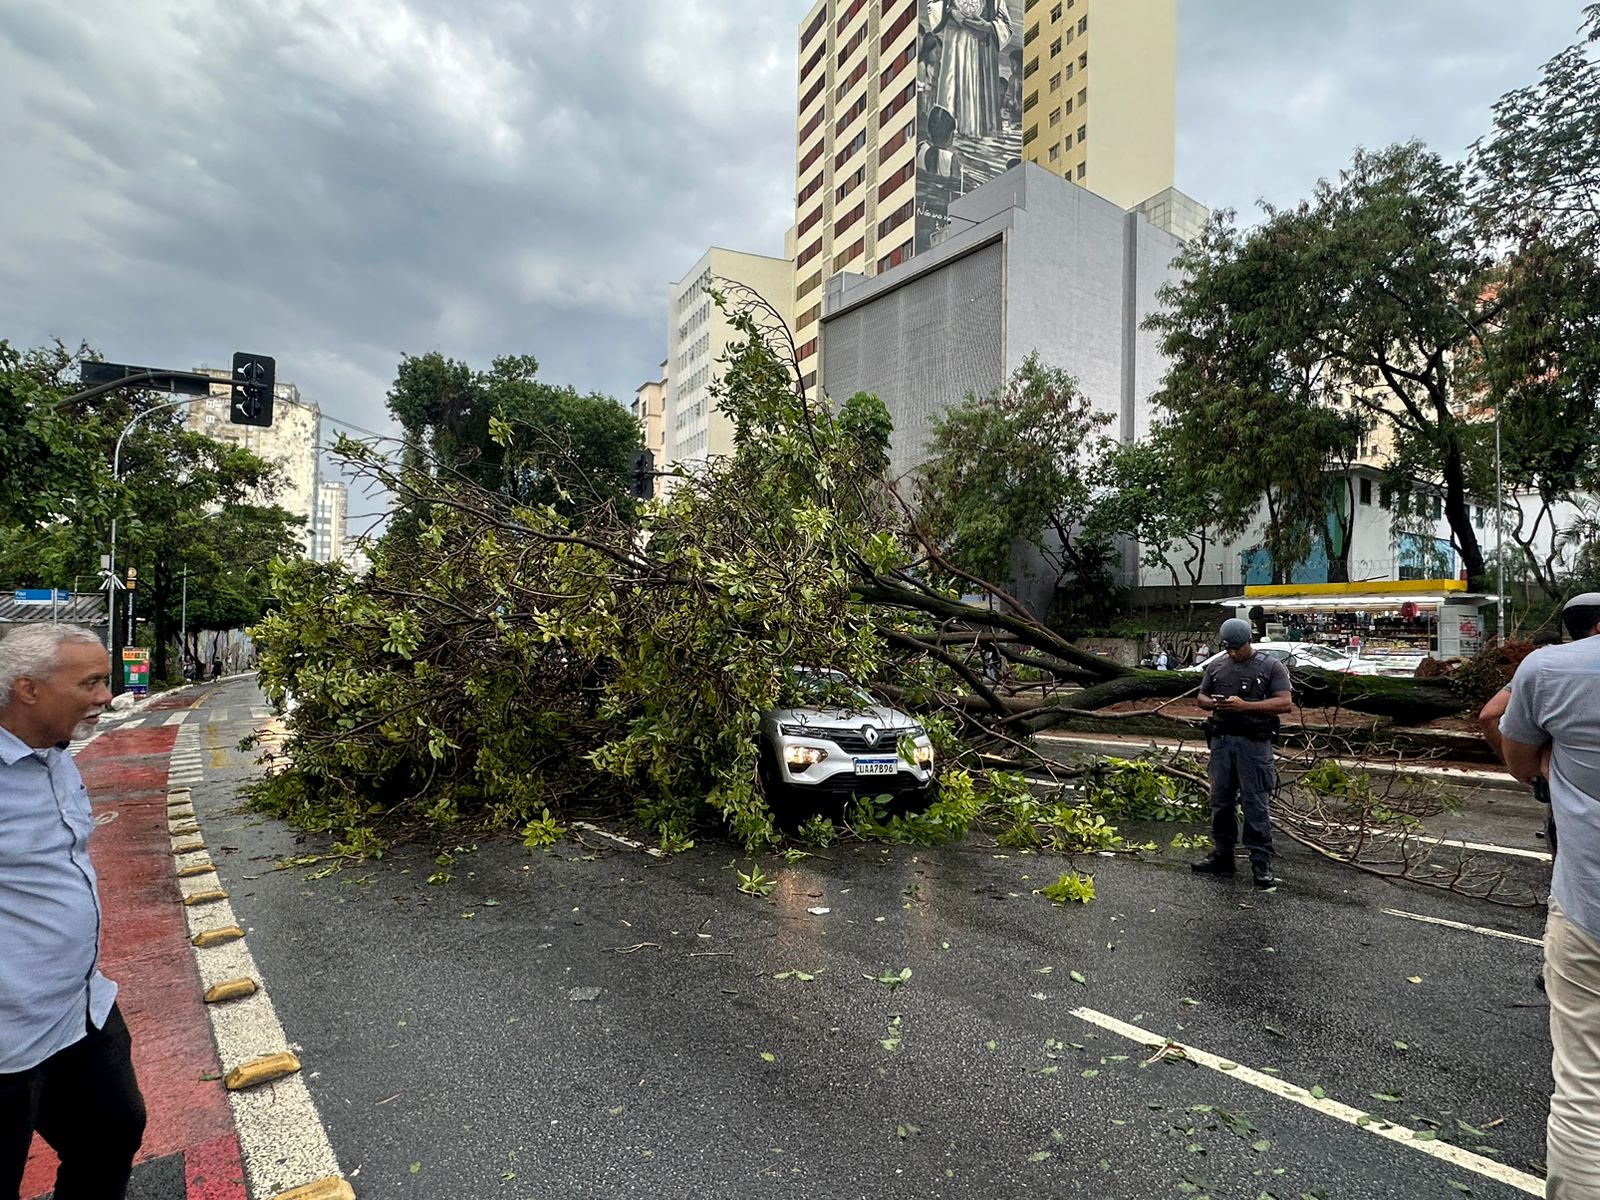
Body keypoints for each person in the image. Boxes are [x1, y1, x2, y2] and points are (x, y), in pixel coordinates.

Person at [0, 625, 146, 1196]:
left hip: (80, 1011)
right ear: (28, 688)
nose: (105, 697)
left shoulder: (55, 754)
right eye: (90, 682)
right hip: (8, 1036)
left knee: (112, 1134)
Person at [1499, 592, 1600, 1199]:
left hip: (1589, 902)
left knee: (1586, 1088)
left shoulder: (1549, 668)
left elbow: (1510, 744)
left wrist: (1548, 772)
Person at [1193, 617, 1293, 888]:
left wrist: (1246, 706)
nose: (1233, 653)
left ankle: (1261, 862)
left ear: (1249, 641)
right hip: (1223, 742)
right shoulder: (1217, 666)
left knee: (1255, 803)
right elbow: (1201, 697)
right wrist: (1213, 702)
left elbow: (1285, 703)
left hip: (1254, 745)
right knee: (1221, 801)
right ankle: (1223, 856)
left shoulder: (1271, 666)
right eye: (1228, 648)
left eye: (1237, 648)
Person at [926, 0, 1010, 141]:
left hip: (983, 48)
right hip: (955, 41)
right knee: (952, 86)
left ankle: (976, 132)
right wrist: (950, 10)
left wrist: (988, 26)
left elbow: (1005, 24)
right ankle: (948, 130)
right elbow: (934, 5)